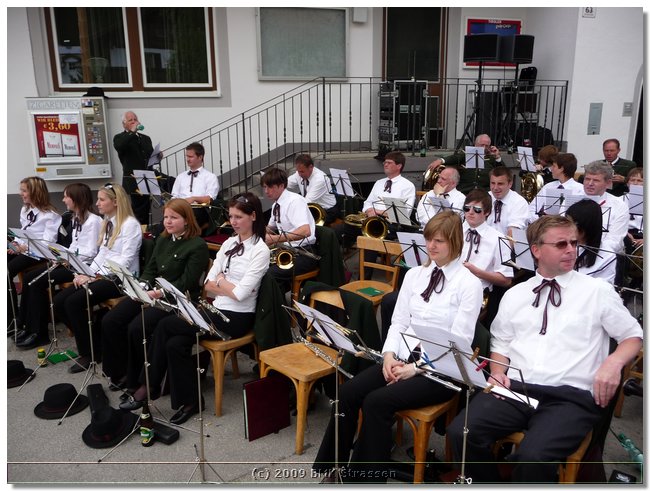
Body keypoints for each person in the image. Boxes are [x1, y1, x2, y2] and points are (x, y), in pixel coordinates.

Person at [447, 215, 643, 484]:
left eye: (573, 243)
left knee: (533, 457)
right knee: (462, 432)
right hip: (518, 388)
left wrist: (613, 363)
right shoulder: (516, 294)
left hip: (570, 396)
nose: (571, 250)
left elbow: (632, 336)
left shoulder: (597, 291)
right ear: (536, 250)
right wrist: (498, 372)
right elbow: (501, 343)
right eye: (561, 244)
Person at [313, 211, 483, 484]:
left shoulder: (469, 284)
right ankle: (333, 466)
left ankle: (362, 481)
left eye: (439, 241)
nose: (431, 246)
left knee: (376, 402)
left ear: (455, 242)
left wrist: (414, 369)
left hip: (440, 370)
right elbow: (399, 321)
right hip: (402, 356)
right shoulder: (415, 275)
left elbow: (458, 343)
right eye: (428, 239)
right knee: (348, 392)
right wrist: (389, 355)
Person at [123, 192, 270, 424]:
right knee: (174, 344)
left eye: (239, 217)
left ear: (253, 216)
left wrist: (220, 281)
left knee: (165, 325)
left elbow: (240, 295)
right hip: (214, 309)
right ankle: (191, 401)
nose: (233, 222)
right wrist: (224, 284)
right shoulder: (229, 242)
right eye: (231, 216)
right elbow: (207, 284)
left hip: (236, 318)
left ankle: (147, 387)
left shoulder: (260, 250)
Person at [102, 199, 209, 398]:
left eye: (174, 217)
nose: (167, 221)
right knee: (112, 320)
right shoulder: (163, 239)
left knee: (137, 328)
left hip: (178, 299)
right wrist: (141, 287)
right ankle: (120, 372)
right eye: (166, 217)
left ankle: (139, 381)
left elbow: (186, 282)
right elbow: (151, 269)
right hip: (152, 293)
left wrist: (158, 293)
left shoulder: (197, 245)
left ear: (187, 220)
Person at [53, 183, 142, 373]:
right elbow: (102, 253)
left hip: (121, 278)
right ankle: (94, 340)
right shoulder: (108, 222)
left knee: (73, 303)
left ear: (115, 202)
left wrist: (96, 276)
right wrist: (88, 273)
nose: (97, 203)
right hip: (104, 275)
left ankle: (90, 353)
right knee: (60, 301)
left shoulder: (130, 225)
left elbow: (125, 260)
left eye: (102, 199)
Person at [15, 183, 102, 349]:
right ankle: (29, 326)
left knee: (39, 282)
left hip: (83, 267)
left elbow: (91, 251)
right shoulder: (76, 217)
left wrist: (68, 258)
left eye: (66, 197)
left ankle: (40, 333)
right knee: (29, 278)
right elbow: (75, 244)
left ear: (76, 199)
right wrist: (61, 255)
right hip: (71, 262)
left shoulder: (94, 220)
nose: (63, 200)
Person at [7, 176, 61, 331]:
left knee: (7, 271)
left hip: (39, 253)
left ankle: (13, 319)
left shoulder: (51, 215)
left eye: (24, 191)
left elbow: (48, 243)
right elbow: (24, 232)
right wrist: (16, 243)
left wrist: (25, 247)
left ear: (35, 192)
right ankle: (11, 314)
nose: (21, 194)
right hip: (25, 248)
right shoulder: (25, 210)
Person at [461, 189, 514, 329]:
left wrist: (477, 272)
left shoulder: (499, 239)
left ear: (487, 212)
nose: (470, 212)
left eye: (477, 210)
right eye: (467, 208)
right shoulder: (454, 231)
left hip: (478, 293)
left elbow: (506, 280)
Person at [262, 167, 318, 290]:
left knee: (270, 274)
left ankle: (276, 300)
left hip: (305, 253)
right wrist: (252, 232)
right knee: (258, 267)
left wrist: (275, 239)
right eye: (265, 187)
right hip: (288, 249)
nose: (266, 191)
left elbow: (305, 231)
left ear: (281, 186)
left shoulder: (295, 201)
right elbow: (270, 228)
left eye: (270, 187)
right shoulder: (276, 205)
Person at [113, 111, 156, 225]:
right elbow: (120, 146)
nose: (133, 122)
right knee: (137, 210)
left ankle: (146, 229)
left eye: (135, 119)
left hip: (147, 176)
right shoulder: (120, 137)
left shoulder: (145, 138)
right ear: (124, 124)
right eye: (130, 120)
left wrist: (158, 156)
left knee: (146, 208)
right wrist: (132, 132)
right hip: (133, 179)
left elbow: (150, 155)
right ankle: (138, 230)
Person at [426, 134, 505, 194]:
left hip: (484, 193)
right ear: (475, 144)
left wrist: (497, 157)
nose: (484, 148)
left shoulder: (492, 158)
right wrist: (441, 160)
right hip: (465, 191)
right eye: (482, 145)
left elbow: (504, 172)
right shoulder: (467, 153)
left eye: (487, 146)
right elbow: (456, 158)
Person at [170, 142, 220, 231]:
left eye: (190, 157)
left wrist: (193, 198)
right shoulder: (180, 177)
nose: (187, 159)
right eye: (187, 156)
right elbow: (174, 196)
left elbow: (210, 198)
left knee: (183, 220)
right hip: (180, 209)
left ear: (200, 157)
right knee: (167, 218)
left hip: (200, 210)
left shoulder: (210, 177)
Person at [566, 199, 617, 285]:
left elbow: (604, 289)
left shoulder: (607, 255)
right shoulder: (562, 244)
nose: (566, 227)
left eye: (570, 224)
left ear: (585, 227)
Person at [582, 160, 629, 253]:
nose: (590, 183)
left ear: (608, 183)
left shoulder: (619, 205)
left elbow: (615, 241)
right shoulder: (571, 200)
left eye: (596, 180)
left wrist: (591, 253)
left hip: (605, 254)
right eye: (587, 179)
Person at [527, 153, 584, 223]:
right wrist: (541, 221)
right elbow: (531, 209)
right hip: (544, 225)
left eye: (554, 166)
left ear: (562, 169)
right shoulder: (548, 186)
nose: (551, 169)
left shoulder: (580, 190)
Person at [287, 153, 339, 225]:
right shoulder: (299, 173)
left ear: (311, 167)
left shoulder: (320, 179)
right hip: (312, 208)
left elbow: (308, 201)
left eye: (302, 171)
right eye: (298, 171)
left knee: (304, 224)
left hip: (327, 211)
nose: (299, 174)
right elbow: (285, 183)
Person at [486, 166, 529, 237]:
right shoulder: (485, 197)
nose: (495, 188)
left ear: (510, 184)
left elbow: (513, 234)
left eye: (500, 184)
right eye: (493, 183)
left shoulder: (519, 202)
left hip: (506, 243)